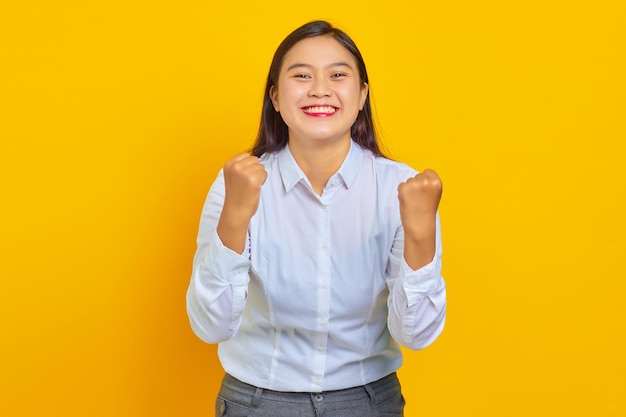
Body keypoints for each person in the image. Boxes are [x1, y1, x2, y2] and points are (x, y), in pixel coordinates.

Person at [186, 20, 446, 417]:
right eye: (302, 75)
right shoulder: (234, 184)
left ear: (362, 96)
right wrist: (235, 217)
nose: (319, 89)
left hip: (368, 403)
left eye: (338, 75)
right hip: (257, 402)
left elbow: (416, 335)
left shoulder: (403, 189)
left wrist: (421, 237)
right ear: (275, 96)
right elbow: (212, 327)